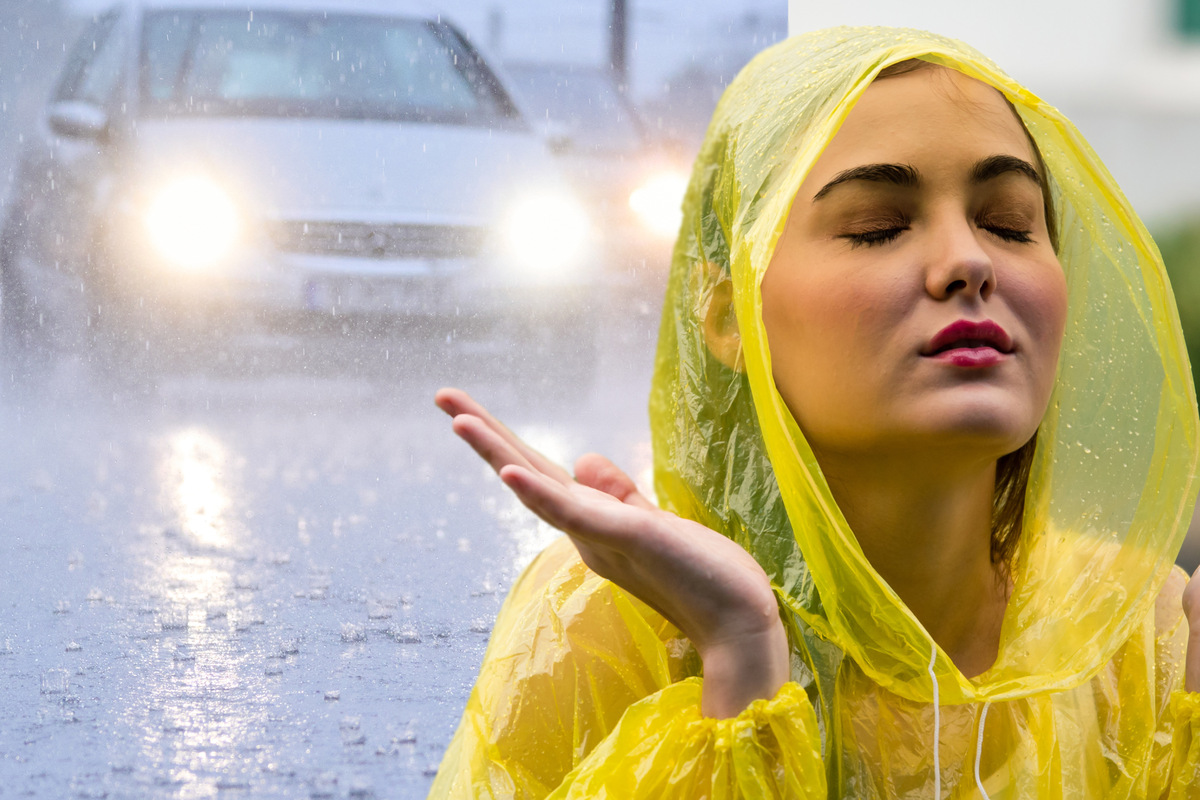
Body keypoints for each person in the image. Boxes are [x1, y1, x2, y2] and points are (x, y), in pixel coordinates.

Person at [429, 27, 1200, 798]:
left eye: (1008, 224)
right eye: (877, 227)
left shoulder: (1146, 636)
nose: (969, 261)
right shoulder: (608, 617)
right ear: (730, 316)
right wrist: (739, 658)